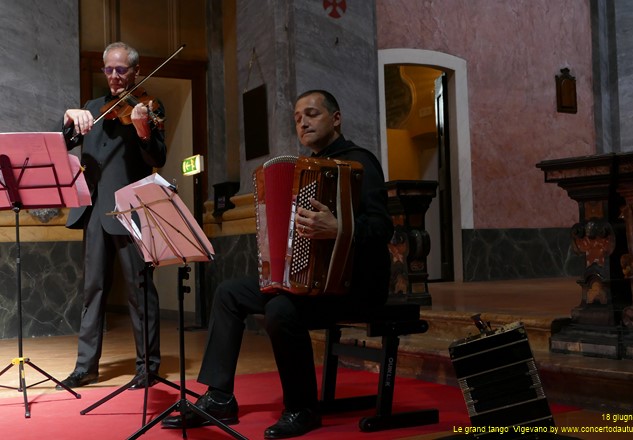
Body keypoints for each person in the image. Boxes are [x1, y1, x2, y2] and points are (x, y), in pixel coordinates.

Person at [161, 89, 393, 438]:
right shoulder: (302, 171)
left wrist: (340, 228)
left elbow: (383, 227)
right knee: (228, 293)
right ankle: (220, 397)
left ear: (336, 118)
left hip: (354, 285)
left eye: (312, 114)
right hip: (307, 282)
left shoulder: (360, 162)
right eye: (297, 118)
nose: (303, 122)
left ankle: (302, 408)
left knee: (281, 310)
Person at [56, 42, 167, 390]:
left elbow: (157, 158)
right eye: (109, 70)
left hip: (130, 211)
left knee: (139, 289)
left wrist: (143, 131)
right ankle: (85, 367)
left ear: (135, 71)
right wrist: (69, 117)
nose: (115, 77)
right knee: (93, 290)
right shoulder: (92, 108)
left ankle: (147, 367)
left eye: (122, 70)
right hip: (92, 212)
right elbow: (63, 143)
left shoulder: (148, 107)